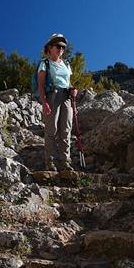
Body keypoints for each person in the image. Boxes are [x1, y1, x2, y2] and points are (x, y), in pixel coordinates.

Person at [37, 33, 78, 171]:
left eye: (63, 47)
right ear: (50, 47)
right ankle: (50, 161)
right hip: (52, 96)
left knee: (66, 130)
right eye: (58, 46)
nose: (61, 49)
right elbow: (41, 85)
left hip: (66, 97)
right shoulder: (45, 63)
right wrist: (44, 102)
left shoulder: (66, 64)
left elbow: (68, 82)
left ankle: (65, 161)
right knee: (51, 129)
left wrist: (73, 89)